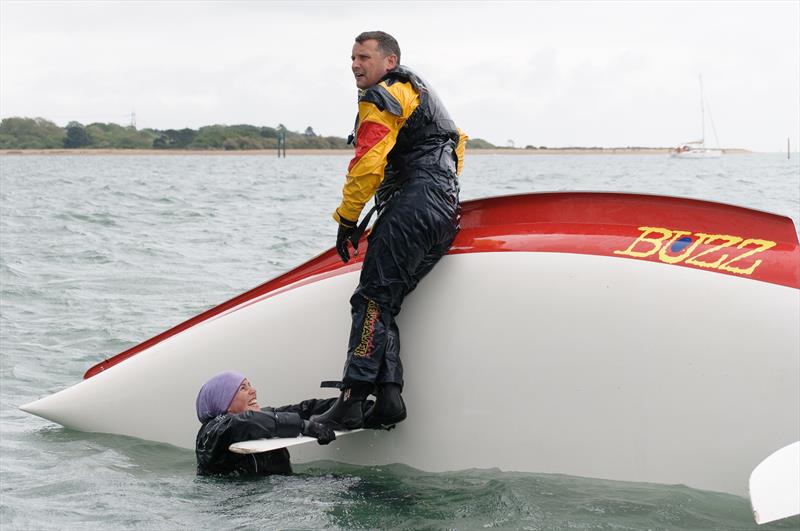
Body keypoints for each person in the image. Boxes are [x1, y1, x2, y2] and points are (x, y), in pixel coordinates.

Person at [312, 31, 467, 431]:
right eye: (352, 58)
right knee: (386, 302)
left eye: (364, 57)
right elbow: (457, 145)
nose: (355, 65)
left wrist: (347, 220)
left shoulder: (382, 96)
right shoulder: (421, 94)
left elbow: (367, 164)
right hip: (445, 212)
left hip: (413, 205)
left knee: (370, 298)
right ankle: (389, 398)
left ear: (389, 62)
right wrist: (431, 201)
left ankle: (351, 398)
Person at [195, 370, 339, 476]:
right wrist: (304, 426)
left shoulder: (261, 420)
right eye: (243, 388)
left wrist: (342, 405)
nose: (253, 391)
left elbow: (301, 410)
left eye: (250, 385)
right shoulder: (212, 431)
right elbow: (245, 422)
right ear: (224, 402)